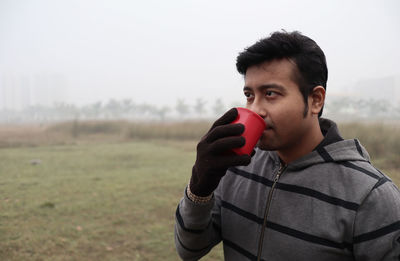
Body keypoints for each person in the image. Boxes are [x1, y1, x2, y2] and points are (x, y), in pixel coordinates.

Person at [174, 31, 400, 260]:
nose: (255, 110)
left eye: (270, 93)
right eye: (249, 95)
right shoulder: (237, 166)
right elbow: (189, 250)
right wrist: (199, 188)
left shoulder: (370, 196)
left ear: (315, 100)